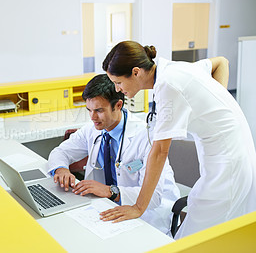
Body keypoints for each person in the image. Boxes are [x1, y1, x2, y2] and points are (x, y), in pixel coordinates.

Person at [100, 40, 256, 239]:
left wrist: (138, 207)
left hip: (229, 162)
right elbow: (221, 62)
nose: (117, 89)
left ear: (136, 72)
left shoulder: (168, 85)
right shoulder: (174, 69)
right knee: (212, 229)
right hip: (229, 153)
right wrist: (216, 107)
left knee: (198, 237)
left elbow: (159, 152)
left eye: (118, 82)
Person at [47, 74, 180, 235]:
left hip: (149, 215)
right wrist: (61, 169)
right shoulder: (93, 129)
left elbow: (154, 197)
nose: (93, 117)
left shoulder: (146, 138)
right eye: (89, 110)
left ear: (118, 105)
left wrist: (112, 191)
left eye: (99, 110)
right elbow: (60, 152)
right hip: (106, 208)